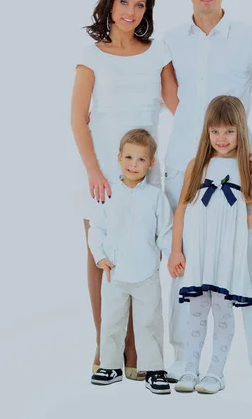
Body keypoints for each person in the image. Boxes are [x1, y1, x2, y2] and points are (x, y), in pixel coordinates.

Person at [162, 0, 252, 392]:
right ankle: (184, 360)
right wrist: (192, 138)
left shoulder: (251, 39)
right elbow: (171, 97)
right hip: (186, 167)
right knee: (184, 267)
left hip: (238, 174)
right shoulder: (172, 40)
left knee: (249, 268)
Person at [71, 0, 178, 378]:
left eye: (139, 5)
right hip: (101, 173)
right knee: (104, 257)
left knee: (144, 257)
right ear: (110, 5)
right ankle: (108, 351)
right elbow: (78, 120)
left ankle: (141, 356)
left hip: (146, 171)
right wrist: (95, 172)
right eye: (124, 3)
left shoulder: (158, 52)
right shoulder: (91, 55)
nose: (131, 12)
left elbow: (178, 107)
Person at [167, 96, 252, 394]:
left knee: (222, 311)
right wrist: (176, 249)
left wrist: (247, 222)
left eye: (229, 131)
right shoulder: (198, 164)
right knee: (196, 311)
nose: (221, 138)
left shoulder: (248, 165)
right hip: (200, 251)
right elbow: (181, 207)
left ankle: (215, 373)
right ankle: (190, 368)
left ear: (241, 131)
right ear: (207, 131)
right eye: (215, 131)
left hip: (229, 255)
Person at [87, 129, 173, 394]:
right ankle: (110, 365)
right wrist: (100, 257)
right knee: (112, 320)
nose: (133, 165)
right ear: (119, 158)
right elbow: (96, 229)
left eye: (141, 160)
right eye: (129, 157)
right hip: (115, 272)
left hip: (147, 272)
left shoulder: (156, 197)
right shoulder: (109, 194)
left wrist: (171, 256)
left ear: (151, 163)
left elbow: (166, 231)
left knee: (149, 321)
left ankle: (154, 369)